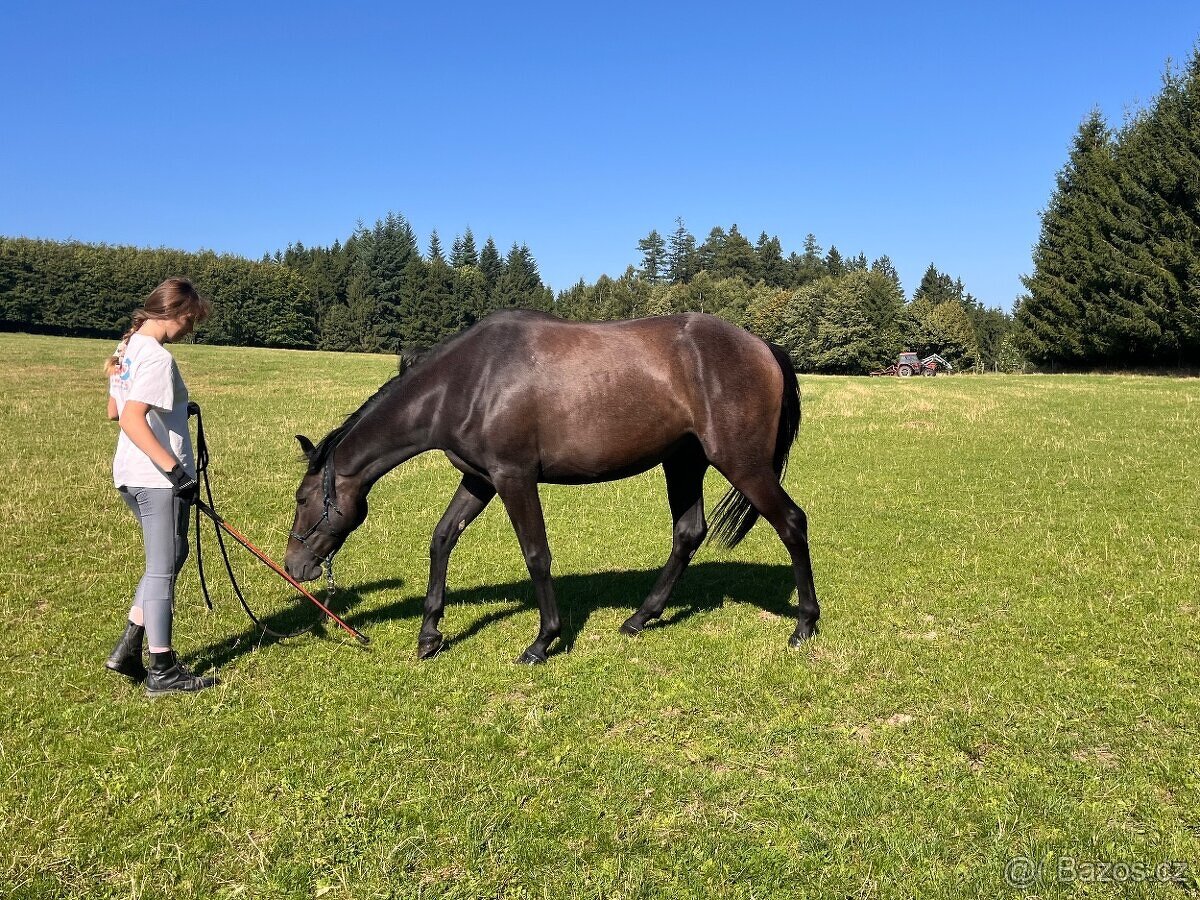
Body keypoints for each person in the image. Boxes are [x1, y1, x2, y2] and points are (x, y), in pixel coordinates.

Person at [103, 277, 218, 695]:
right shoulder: (156, 357)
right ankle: (162, 669)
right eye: (191, 321)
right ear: (176, 313)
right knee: (162, 569)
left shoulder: (128, 348)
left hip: (131, 474)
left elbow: (114, 409)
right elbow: (131, 418)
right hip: (156, 479)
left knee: (172, 553)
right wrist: (175, 471)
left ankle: (128, 649)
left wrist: (176, 410)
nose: (190, 330)